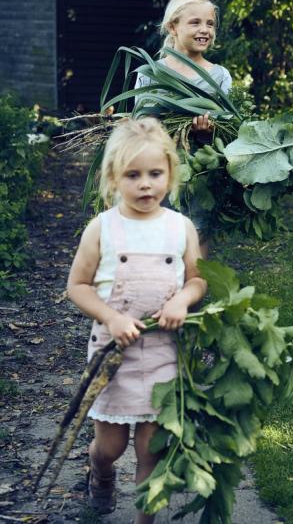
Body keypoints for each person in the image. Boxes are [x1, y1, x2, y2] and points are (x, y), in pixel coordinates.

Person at [67, 118, 206, 522]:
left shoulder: (180, 228)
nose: (145, 184)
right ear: (113, 178)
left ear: (170, 174)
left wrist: (183, 298)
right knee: (111, 447)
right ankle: (100, 471)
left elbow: (197, 279)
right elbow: (77, 286)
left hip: (164, 353)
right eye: (133, 175)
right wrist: (110, 316)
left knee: (152, 451)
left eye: (155, 173)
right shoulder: (103, 228)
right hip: (114, 357)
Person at [129, 0, 233, 254]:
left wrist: (209, 130)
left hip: (201, 170)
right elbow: (141, 123)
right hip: (157, 168)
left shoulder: (219, 76)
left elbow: (230, 129)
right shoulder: (151, 73)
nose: (205, 30)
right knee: (156, 234)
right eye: (195, 22)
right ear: (173, 27)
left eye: (210, 24)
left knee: (198, 232)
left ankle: (194, 290)